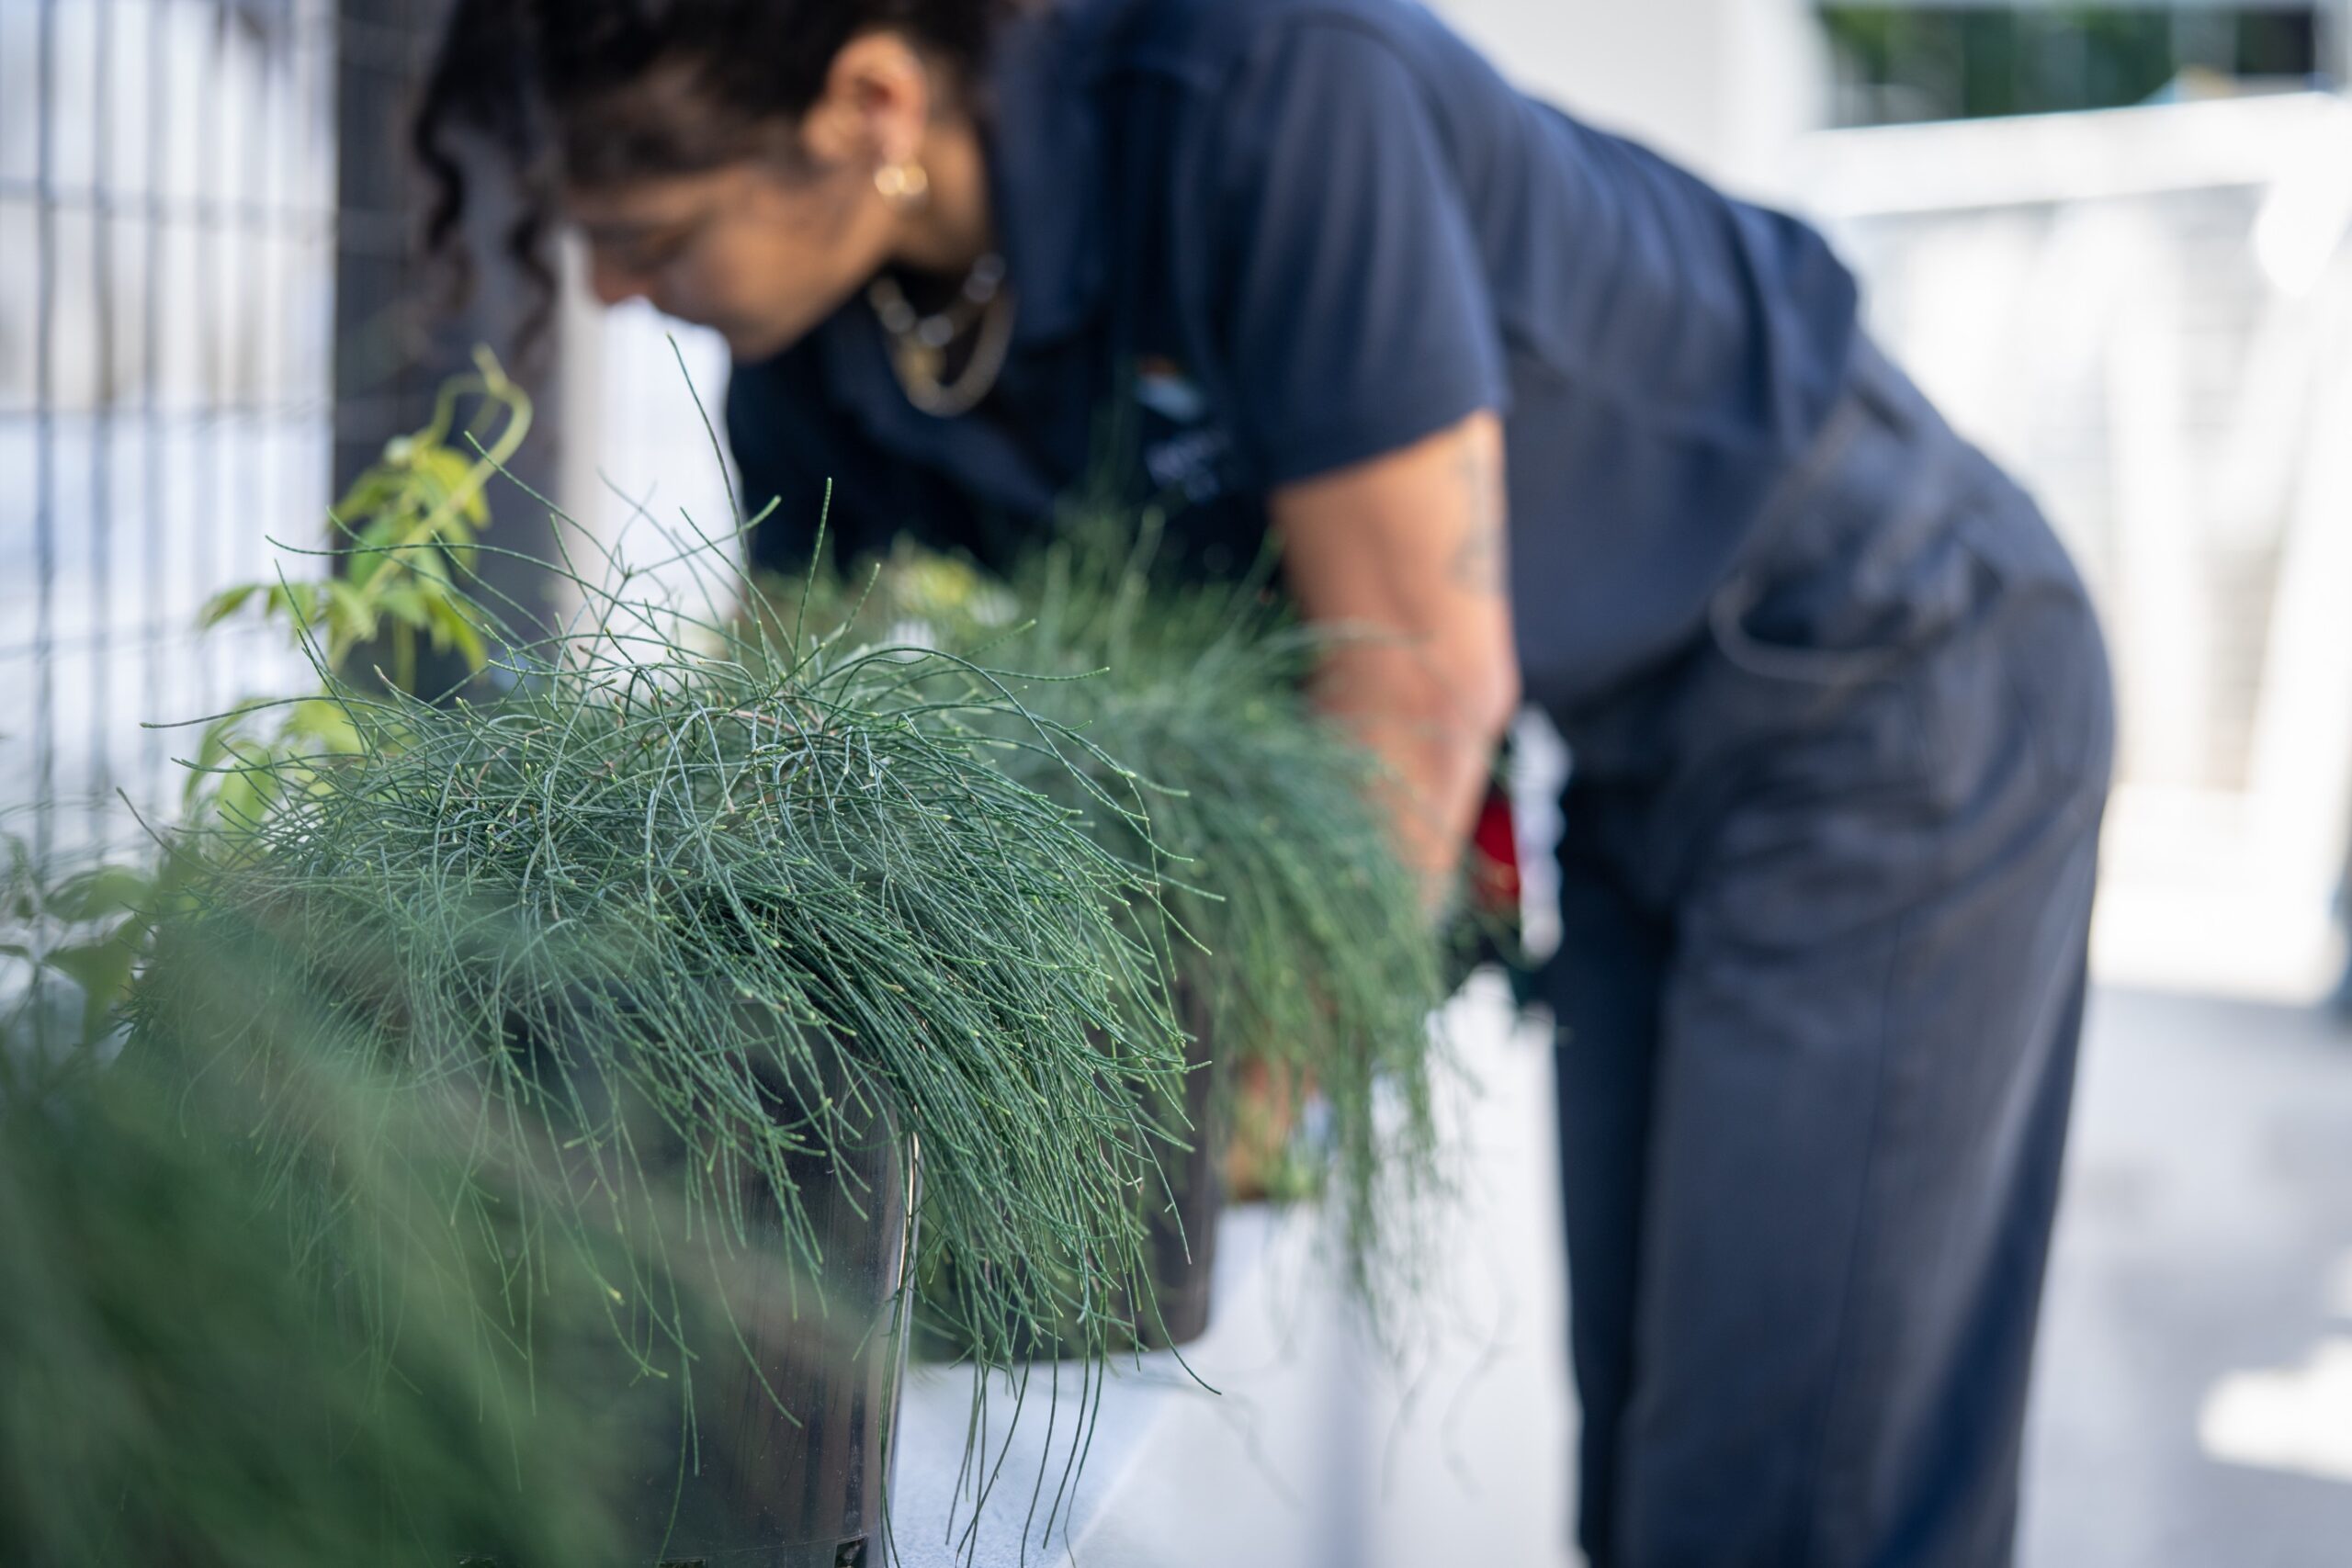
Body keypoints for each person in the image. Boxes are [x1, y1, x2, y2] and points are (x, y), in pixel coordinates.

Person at [415, 2, 2114, 1562]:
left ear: (868, 100)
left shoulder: (1266, 95)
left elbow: (1420, 683)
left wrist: (1230, 1113)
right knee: (1669, 1450)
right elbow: (762, 759)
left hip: (1889, 671)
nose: (617, 292)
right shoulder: (820, 344)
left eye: (649, 234)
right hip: (1637, 744)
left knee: (1784, 1483)